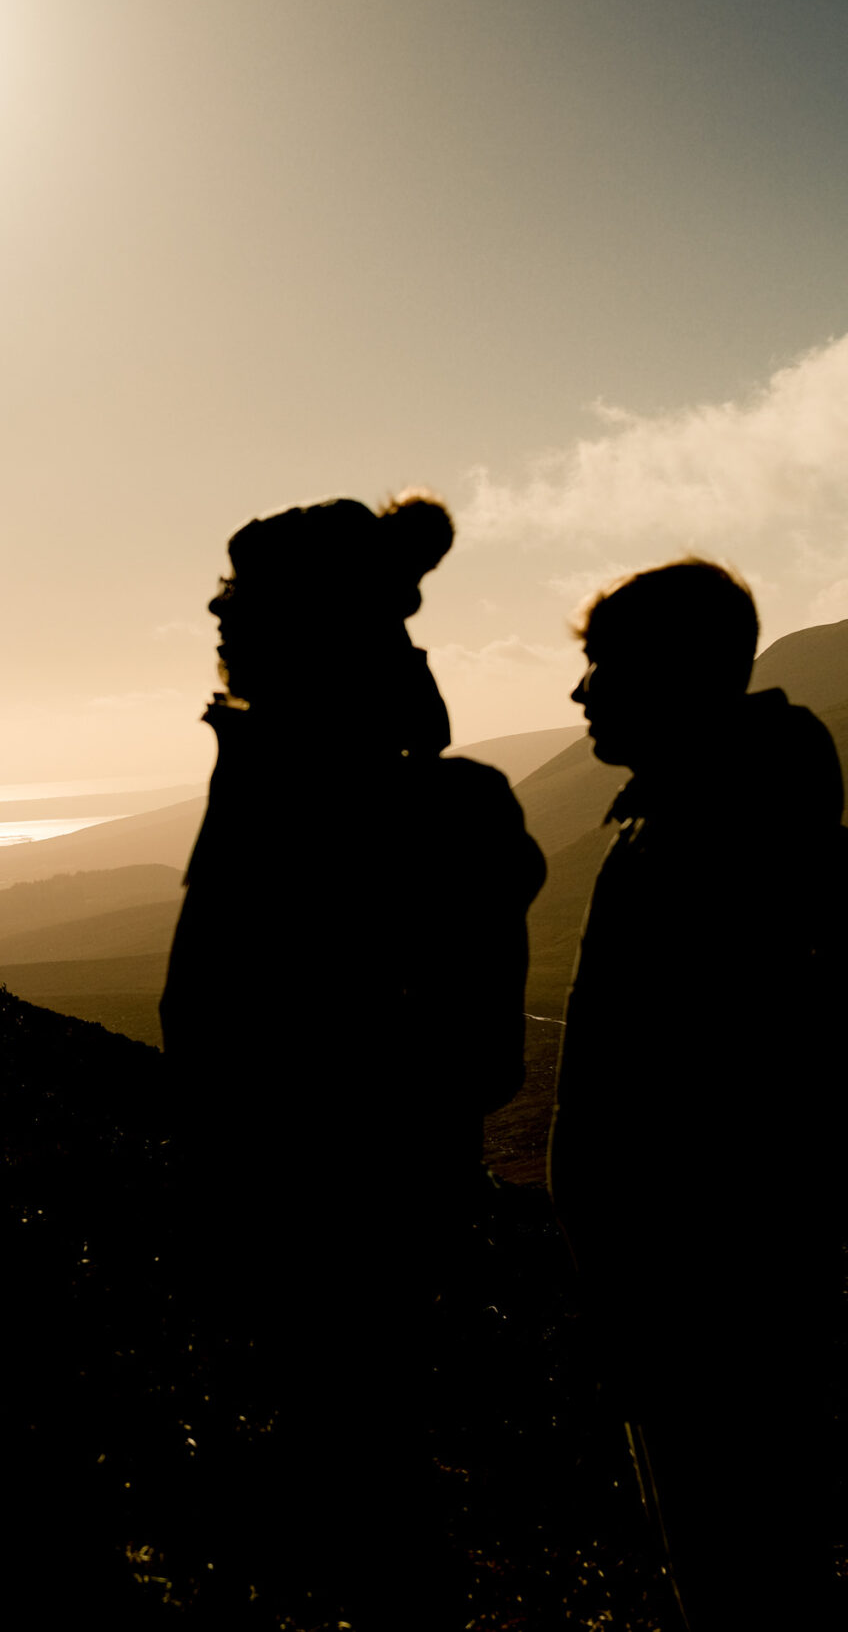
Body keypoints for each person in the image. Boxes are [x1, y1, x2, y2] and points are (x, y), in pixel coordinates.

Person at [547, 559, 848, 1630]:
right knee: (744, 1568)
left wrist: (775, 1206)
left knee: (740, 1576)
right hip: (702, 1297)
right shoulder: (689, 841)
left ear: (669, 675)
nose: (580, 690)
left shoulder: (722, 856)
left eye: (602, 665)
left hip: (712, 1307)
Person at [158, 493, 544, 1608]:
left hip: (334, 1220)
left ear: (310, 628)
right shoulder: (298, 768)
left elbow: (465, 1055)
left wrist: (309, 1145)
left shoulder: (352, 793)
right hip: (327, 1212)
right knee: (358, 1480)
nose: (219, 615)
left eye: (243, 600)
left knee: (359, 1487)